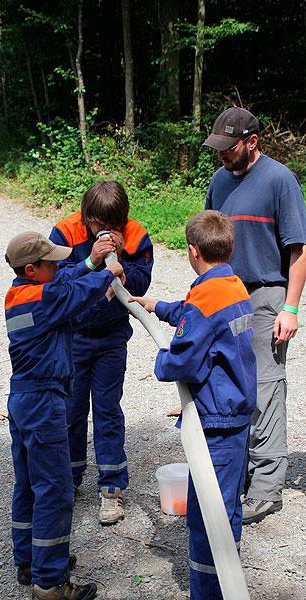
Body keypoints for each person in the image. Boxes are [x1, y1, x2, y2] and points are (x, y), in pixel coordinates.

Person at [131, 210, 256, 599]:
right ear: (229, 248)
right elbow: (195, 315)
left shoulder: (206, 298)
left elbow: (182, 360)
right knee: (227, 507)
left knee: (207, 518)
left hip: (215, 424)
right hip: (237, 417)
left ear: (192, 251)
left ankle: (209, 591)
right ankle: (228, 581)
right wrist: (157, 306)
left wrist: (161, 360)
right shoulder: (233, 286)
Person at [4, 231, 123, 600]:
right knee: (55, 491)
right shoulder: (44, 299)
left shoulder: (19, 294)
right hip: (43, 403)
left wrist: (90, 263)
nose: (57, 266)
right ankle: (51, 583)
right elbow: (72, 292)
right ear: (31, 269)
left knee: (29, 485)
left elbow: (64, 285)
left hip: (23, 399)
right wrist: (107, 272)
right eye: (50, 263)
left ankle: (29, 561)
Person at [203, 106, 306, 524]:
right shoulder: (219, 180)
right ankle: (240, 472)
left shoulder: (280, 181)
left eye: (229, 148)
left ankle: (266, 489)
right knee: (231, 384)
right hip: (227, 294)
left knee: (265, 389)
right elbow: (208, 240)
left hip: (267, 296)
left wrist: (291, 308)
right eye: (219, 148)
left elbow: (298, 250)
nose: (223, 155)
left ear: (252, 142)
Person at [49, 180, 153, 524]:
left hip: (111, 338)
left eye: (112, 226)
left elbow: (141, 283)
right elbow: (54, 282)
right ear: (86, 217)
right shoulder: (65, 231)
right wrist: (91, 261)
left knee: (108, 411)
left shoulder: (136, 235)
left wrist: (120, 258)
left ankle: (111, 487)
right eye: (97, 225)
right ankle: (69, 479)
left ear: (122, 221)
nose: (104, 231)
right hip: (74, 337)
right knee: (72, 411)